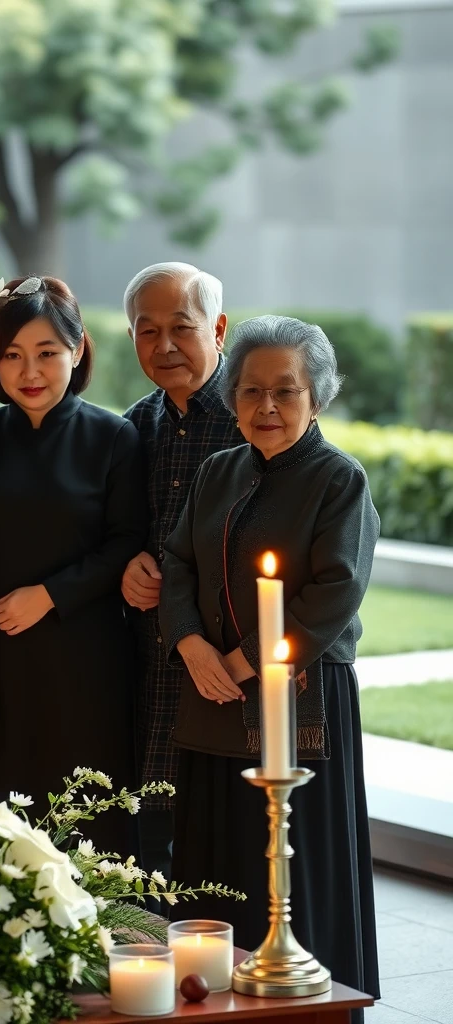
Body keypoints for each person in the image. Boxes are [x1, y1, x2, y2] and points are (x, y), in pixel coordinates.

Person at [159, 315, 380, 1009]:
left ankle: (307, 1006)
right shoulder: (217, 471)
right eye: (251, 391)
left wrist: (245, 661)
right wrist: (191, 644)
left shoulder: (338, 479)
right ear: (232, 397)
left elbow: (336, 588)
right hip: (211, 693)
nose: (268, 407)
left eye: (287, 391)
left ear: (318, 396)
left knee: (296, 865)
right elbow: (176, 562)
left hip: (301, 696)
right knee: (217, 863)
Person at [0, 275, 147, 855]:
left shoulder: (114, 437)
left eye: (47, 353)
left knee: (87, 817)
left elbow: (127, 541)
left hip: (87, 657)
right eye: (12, 356)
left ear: (77, 350)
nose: (30, 372)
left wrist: (51, 594)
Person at [120, 262, 244, 876]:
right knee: (147, 838)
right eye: (147, 331)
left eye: (182, 327)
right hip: (148, 666)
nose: (164, 345)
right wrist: (126, 566)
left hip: (226, 663)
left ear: (218, 329)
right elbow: (113, 533)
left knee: (221, 842)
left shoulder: (253, 422)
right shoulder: (132, 428)